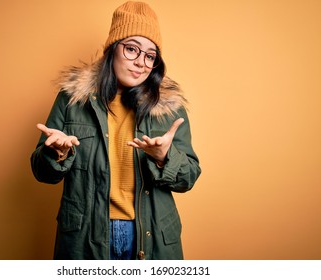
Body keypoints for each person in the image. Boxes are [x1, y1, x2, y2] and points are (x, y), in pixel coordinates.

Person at [31, 1, 201, 260]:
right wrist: (57, 154)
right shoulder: (73, 99)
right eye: (132, 49)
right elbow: (41, 173)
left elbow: (188, 178)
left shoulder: (168, 109)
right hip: (85, 235)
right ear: (112, 48)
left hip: (151, 235)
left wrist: (164, 157)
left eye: (150, 55)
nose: (141, 63)